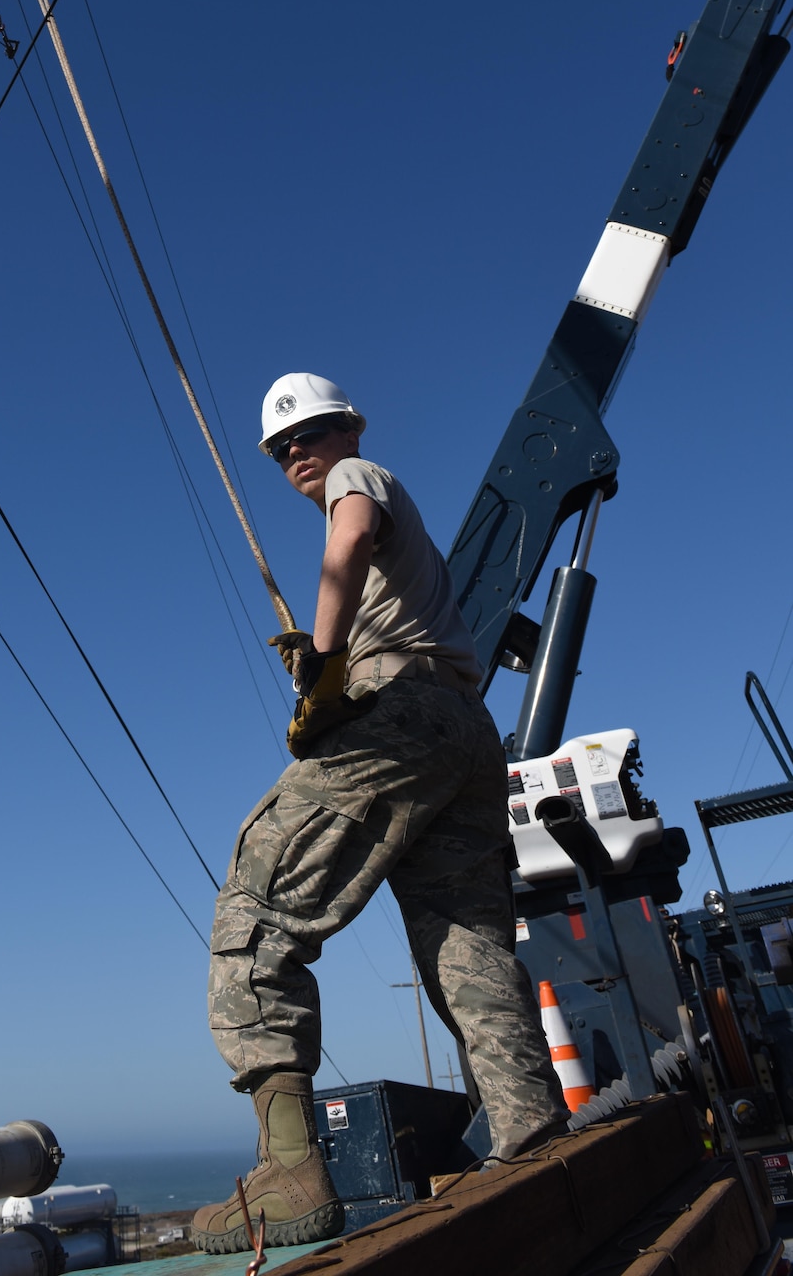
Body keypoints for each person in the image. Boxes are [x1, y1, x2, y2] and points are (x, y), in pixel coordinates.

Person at [192, 373, 566, 1253]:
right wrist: (332, 660)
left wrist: (325, 665)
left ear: (349, 429)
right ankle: (530, 1130)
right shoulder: (405, 543)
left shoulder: (360, 482)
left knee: (257, 906)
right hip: (464, 731)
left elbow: (349, 537)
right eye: (282, 448)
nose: (296, 454)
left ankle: (289, 1169)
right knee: (466, 941)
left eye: (311, 434)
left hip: (400, 711)